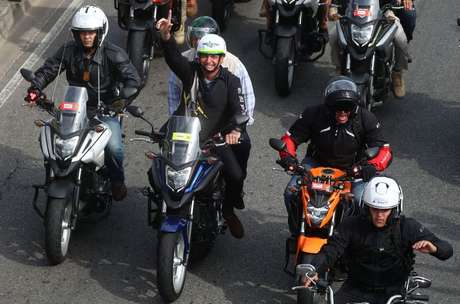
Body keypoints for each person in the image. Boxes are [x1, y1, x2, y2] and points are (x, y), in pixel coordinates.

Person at [24, 5, 141, 201]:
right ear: (76, 34)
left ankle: (117, 181)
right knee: (50, 140)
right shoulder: (68, 50)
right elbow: (49, 69)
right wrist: (35, 88)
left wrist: (120, 101)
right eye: (82, 33)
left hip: (104, 110)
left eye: (91, 33)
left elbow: (134, 80)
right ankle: (52, 176)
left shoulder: (113, 53)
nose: (87, 37)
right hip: (74, 108)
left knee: (114, 147)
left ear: (99, 32)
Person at [157, 13, 249, 239]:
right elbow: (172, 58)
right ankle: (161, 204)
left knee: (236, 176)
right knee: (156, 169)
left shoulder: (231, 80)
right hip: (187, 136)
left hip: (216, 139)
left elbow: (240, 110)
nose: (209, 61)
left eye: (213, 57)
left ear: (220, 58)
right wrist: (166, 37)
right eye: (205, 56)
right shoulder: (190, 73)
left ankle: (227, 210)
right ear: (199, 57)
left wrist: (236, 130)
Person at [303, 176, 453, 304]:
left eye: (385, 210)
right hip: (356, 288)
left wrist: (434, 248)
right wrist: (314, 269)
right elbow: (331, 250)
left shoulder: (407, 226)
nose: (379, 215)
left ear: (395, 209)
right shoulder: (350, 225)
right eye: (374, 209)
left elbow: (447, 251)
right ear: (366, 208)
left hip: (394, 291)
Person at [277, 76, 392, 235]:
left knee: (360, 200)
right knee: (291, 191)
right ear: (328, 106)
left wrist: (371, 166)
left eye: (347, 108)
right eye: (337, 108)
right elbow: (290, 139)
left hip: (353, 170)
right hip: (316, 164)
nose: (342, 113)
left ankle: (354, 238)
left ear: (354, 107)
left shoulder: (367, 119)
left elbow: (384, 150)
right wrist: (288, 157)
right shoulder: (313, 113)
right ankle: (297, 228)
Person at [328, 0, 414, 98]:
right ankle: (339, 68)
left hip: (384, 14)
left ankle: (397, 73)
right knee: (333, 36)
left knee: (400, 40)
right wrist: (333, 8)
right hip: (352, 16)